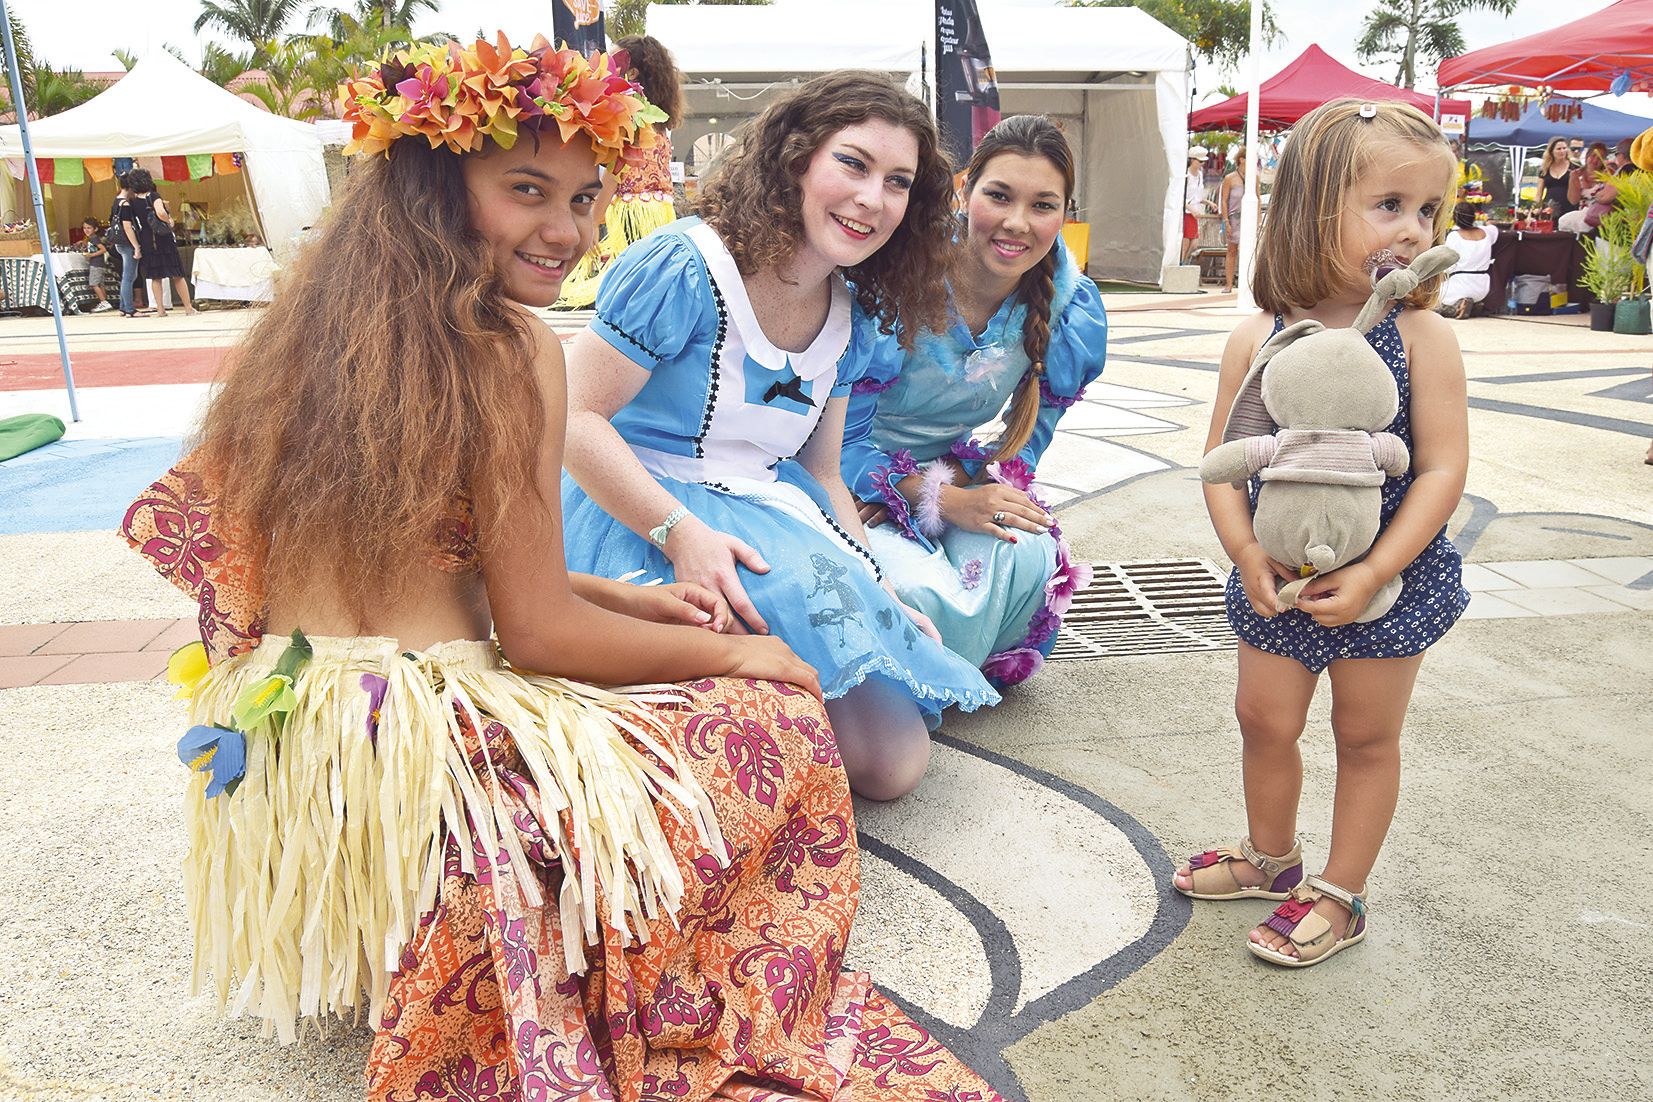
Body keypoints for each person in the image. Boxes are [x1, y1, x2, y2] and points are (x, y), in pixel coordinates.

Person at [119, 36, 999, 1100]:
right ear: (436, 187)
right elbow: (532, 637)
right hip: (422, 752)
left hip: (294, 736)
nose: (566, 231)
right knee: (778, 719)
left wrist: (628, 594)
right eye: (527, 190)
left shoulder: (306, 331)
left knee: (720, 664)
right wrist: (749, 652)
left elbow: (406, 580)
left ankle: (386, 935)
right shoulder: (510, 348)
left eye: (584, 198)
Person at [561, 71, 998, 803]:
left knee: (889, 767)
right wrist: (680, 534)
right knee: (697, 755)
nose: (871, 199)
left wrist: (873, 580)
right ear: (795, 160)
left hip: (768, 517)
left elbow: (822, 474)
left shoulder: (852, 314)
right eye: (852, 164)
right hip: (631, 511)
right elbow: (573, 417)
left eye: (897, 182)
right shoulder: (684, 267)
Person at [1172, 99, 1470, 967]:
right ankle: (1272, 857)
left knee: (1364, 735)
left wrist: (1379, 566)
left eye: (1427, 212)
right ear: (1308, 207)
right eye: (1389, 206)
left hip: (1390, 584)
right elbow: (1223, 460)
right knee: (1262, 718)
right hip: (1274, 573)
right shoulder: (1257, 339)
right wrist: (1242, 553)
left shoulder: (1422, 340)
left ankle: (1339, 893)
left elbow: (1441, 470)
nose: (1413, 231)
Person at [840, 114, 1107, 688]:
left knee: (1027, 552)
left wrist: (972, 493)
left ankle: (941, 667)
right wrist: (920, 496)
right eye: (999, 196)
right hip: (842, 481)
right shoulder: (895, 277)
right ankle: (913, 685)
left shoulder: (1070, 305)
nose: (1017, 223)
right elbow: (832, 437)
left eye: (1043, 205)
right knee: (912, 589)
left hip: (948, 478)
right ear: (965, 189)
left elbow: (1024, 448)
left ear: (1066, 212)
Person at [554, 34, 683, 309]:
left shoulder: (630, 115)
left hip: (631, 212)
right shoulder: (656, 118)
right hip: (660, 212)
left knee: (628, 291)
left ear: (631, 71)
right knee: (649, 286)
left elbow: (615, 175)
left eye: (612, 59)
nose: (604, 63)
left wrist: (593, 221)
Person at [124, 167, 199, 316]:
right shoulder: (153, 195)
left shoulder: (131, 201)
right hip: (162, 238)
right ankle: (188, 308)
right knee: (177, 274)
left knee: (155, 277)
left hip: (146, 240)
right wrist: (169, 220)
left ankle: (160, 309)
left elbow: (129, 224)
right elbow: (160, 212)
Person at [1437, 204, 1498, 318]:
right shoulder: (1487, 233)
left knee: (1431, 304)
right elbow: (1494, 229)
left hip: (1459, 286)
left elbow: (1448, 266)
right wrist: (1488, 222)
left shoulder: (1454, 236)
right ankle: (1473, 306)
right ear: (1474, 217)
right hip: (1482, 287)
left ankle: (1457, 308)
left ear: (1454, 219)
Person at [1559, 142, 1617, 233]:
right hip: (1582, 220)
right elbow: (1573, 200)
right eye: (1593, 156)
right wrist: (1573, 180)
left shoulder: (1608, 173)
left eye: (1599, 158)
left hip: (1601, 219)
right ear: (1587, 156)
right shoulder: (1576, 174)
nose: (1595, 160)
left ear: (1603, 160)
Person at [109, 175, 145, 317]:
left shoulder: (116, 201)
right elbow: (127, 227)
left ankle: (124, 307)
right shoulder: (125, 204)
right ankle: (129, 308)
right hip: (127, 243)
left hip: (119, 243)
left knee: (128, 275)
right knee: (129, 276)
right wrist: (136, 246)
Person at [1217, 146, 1247, 293]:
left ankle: (1247, 283)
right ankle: (1229, 283)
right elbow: (1224, 200)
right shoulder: (1230, 178)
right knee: (1232, 249)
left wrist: (1259, 220)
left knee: (1249, 250)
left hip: (1248, 218)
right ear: (1242, 159)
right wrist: (1226, 221)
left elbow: (1258, 199)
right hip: (1234, 218)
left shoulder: (1254, 177)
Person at [1183, 144, 1211, 263]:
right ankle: (1179, 265)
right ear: (1192, 160)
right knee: (1185, 244)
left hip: (1194, 213)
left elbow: (1197, 196)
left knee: (1194, 244)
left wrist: (1208, 202)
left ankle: (1182, 264)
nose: (1201, 164)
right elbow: (1181, 196)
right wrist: (1191, 209)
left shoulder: (1199, 175)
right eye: (1200, 161)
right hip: (1186, 212)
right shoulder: (1185, 175)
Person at [80, 218, 115, 312]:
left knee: (94, 284)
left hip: (96, 264)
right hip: (100, 264)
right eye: (84, 228)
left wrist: (91, 255)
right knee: (100, 284)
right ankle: (105, 302)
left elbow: (103, 249)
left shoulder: (94, 238)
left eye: (89, 228)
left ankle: (103, 302)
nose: (86, 230)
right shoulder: (91, 239)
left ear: (95, 229)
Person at [1537, 137, 1575, 217]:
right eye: (1558, 149)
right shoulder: (1544, 169)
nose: (1562, 151)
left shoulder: (1574, 167)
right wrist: (1535, 209)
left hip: (1570, 208)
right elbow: (1539, 194)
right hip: (1549, 209)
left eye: (1564, 148)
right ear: (1551, 151)